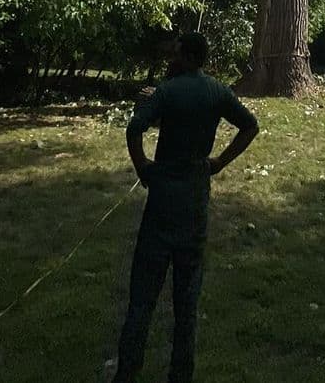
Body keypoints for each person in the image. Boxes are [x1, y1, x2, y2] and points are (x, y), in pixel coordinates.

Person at [111, 32, 259, 383]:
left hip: (162, 201)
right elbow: (250, 126)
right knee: (187, 300)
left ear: (189, 56)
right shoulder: (219, 92)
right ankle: (181, 374)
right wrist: (219, 162)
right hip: (195, 200)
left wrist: (143, 168)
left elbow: (134, 130)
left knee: (143, 296)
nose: (170, 58)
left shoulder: (166, 91)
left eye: (176, 53)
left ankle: (127, 373)